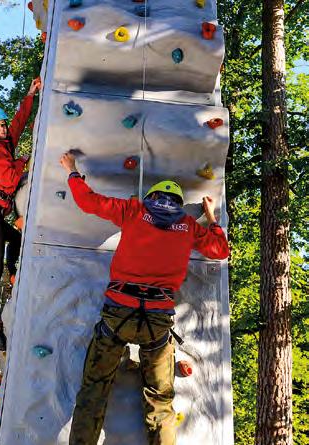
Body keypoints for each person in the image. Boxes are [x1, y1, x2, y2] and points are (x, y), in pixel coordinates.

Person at [59, 152, 229, 445]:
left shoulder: (135, 211)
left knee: (94, 391)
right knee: (160, 402)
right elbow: (220, 250)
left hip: (118, 314)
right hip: (157, 322)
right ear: (177, 204)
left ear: (151, 197)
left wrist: (72, 170)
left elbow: (88, 201)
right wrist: (211, 215)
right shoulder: (188, 226)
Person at [0, 77, 42, 351]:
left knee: (17, 241)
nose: (3, 128)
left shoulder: (2, 142)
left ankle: (14, 276)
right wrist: (24, 161)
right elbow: (11, 179)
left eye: (2, 125)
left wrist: (30, 95)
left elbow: (18, 123)